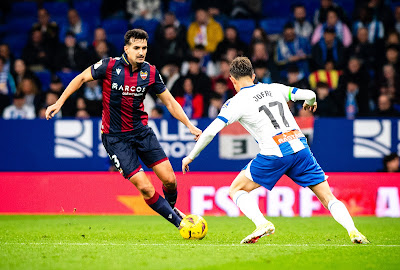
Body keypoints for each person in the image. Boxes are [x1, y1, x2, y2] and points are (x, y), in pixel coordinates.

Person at [182, 56, 369, 244]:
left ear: (232, 80)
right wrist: (310, 102)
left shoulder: (235, 102)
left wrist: (190, 156)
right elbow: (309, 94)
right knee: (328, 197)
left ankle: (262, 223)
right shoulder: (274, 88)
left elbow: (210, 132)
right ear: (253, 76)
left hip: (275, 153)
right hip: (301, 149)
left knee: (236, 189)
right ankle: (353, 231)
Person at [46, 29, 202, 230]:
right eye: (136, 48)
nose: (141, 52)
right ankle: (181, 224)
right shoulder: (109, 66)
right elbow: (81, 78)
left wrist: (189, 125)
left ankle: (171, 210)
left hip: (141, 132)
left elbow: (170, 103)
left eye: (144, 48)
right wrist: (59, 102)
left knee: (170, 180)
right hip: (115, 138)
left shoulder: (150, 72)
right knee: (145, 187)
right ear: (126, 49)